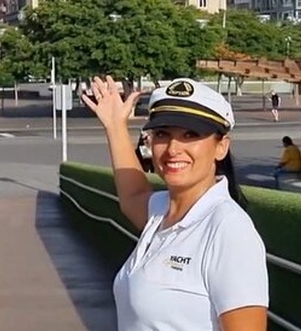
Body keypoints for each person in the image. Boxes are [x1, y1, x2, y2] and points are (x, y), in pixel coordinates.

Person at [82, 76, 269, 331]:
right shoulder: (161, 212)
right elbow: (132, 196)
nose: (172, 149)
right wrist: (115, 127)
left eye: (190, 134)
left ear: (221, 147)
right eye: (162, 134)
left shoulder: (228, 229)